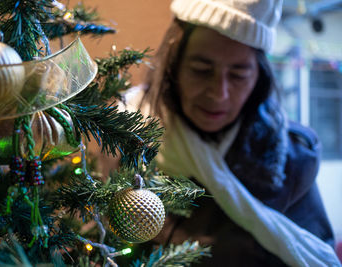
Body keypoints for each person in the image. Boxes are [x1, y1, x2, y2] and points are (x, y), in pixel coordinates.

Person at [120, 0, 341, 266]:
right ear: (173, 67)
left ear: (258, 78)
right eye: (201, 71)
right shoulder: (126, 138)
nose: (218, 94)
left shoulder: (291, 161)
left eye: (238, 75)